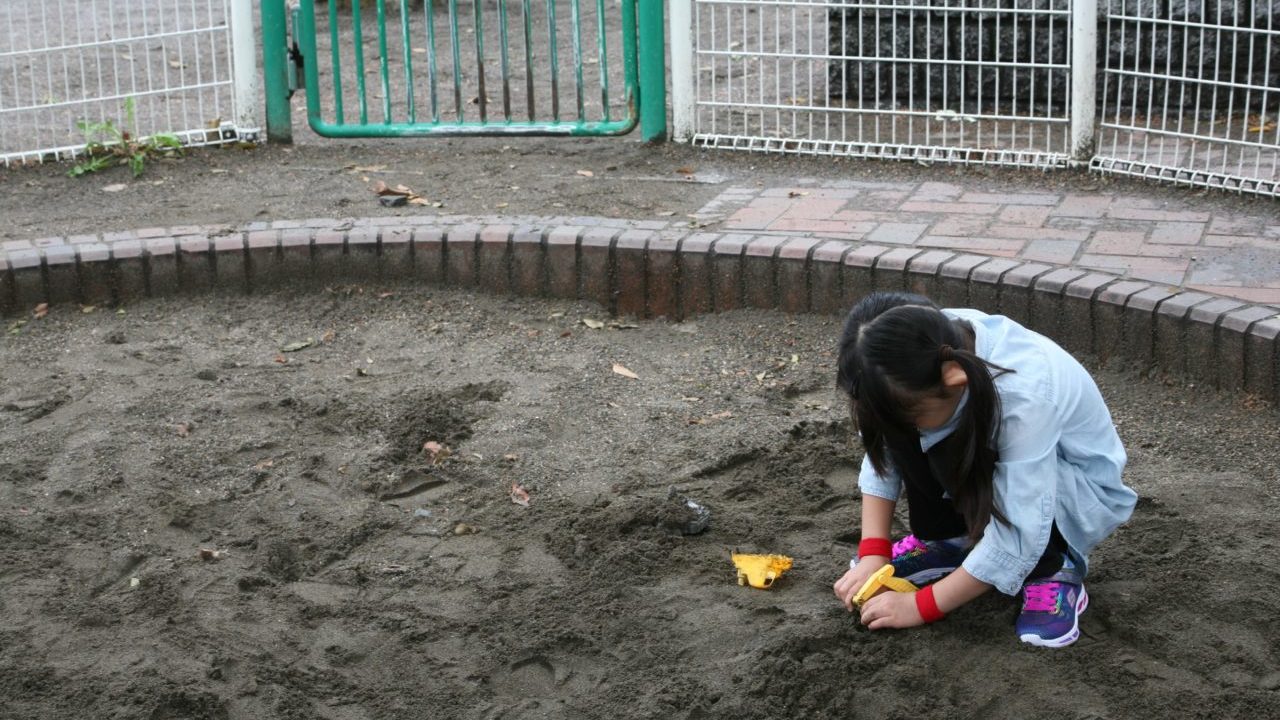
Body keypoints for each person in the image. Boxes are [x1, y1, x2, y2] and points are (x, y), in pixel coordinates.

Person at [830, 291, 1137, 647]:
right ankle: (952, 541)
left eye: (916, 416)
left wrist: (921, 605)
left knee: (931, 435)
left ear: (954, 379)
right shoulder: (911, 349)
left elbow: (1021, 528)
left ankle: (1055, 567)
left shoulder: (1024, 395)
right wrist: (873, 552)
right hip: (981, 457)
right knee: (903, 428)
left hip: (1070, 490)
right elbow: (881, 449)